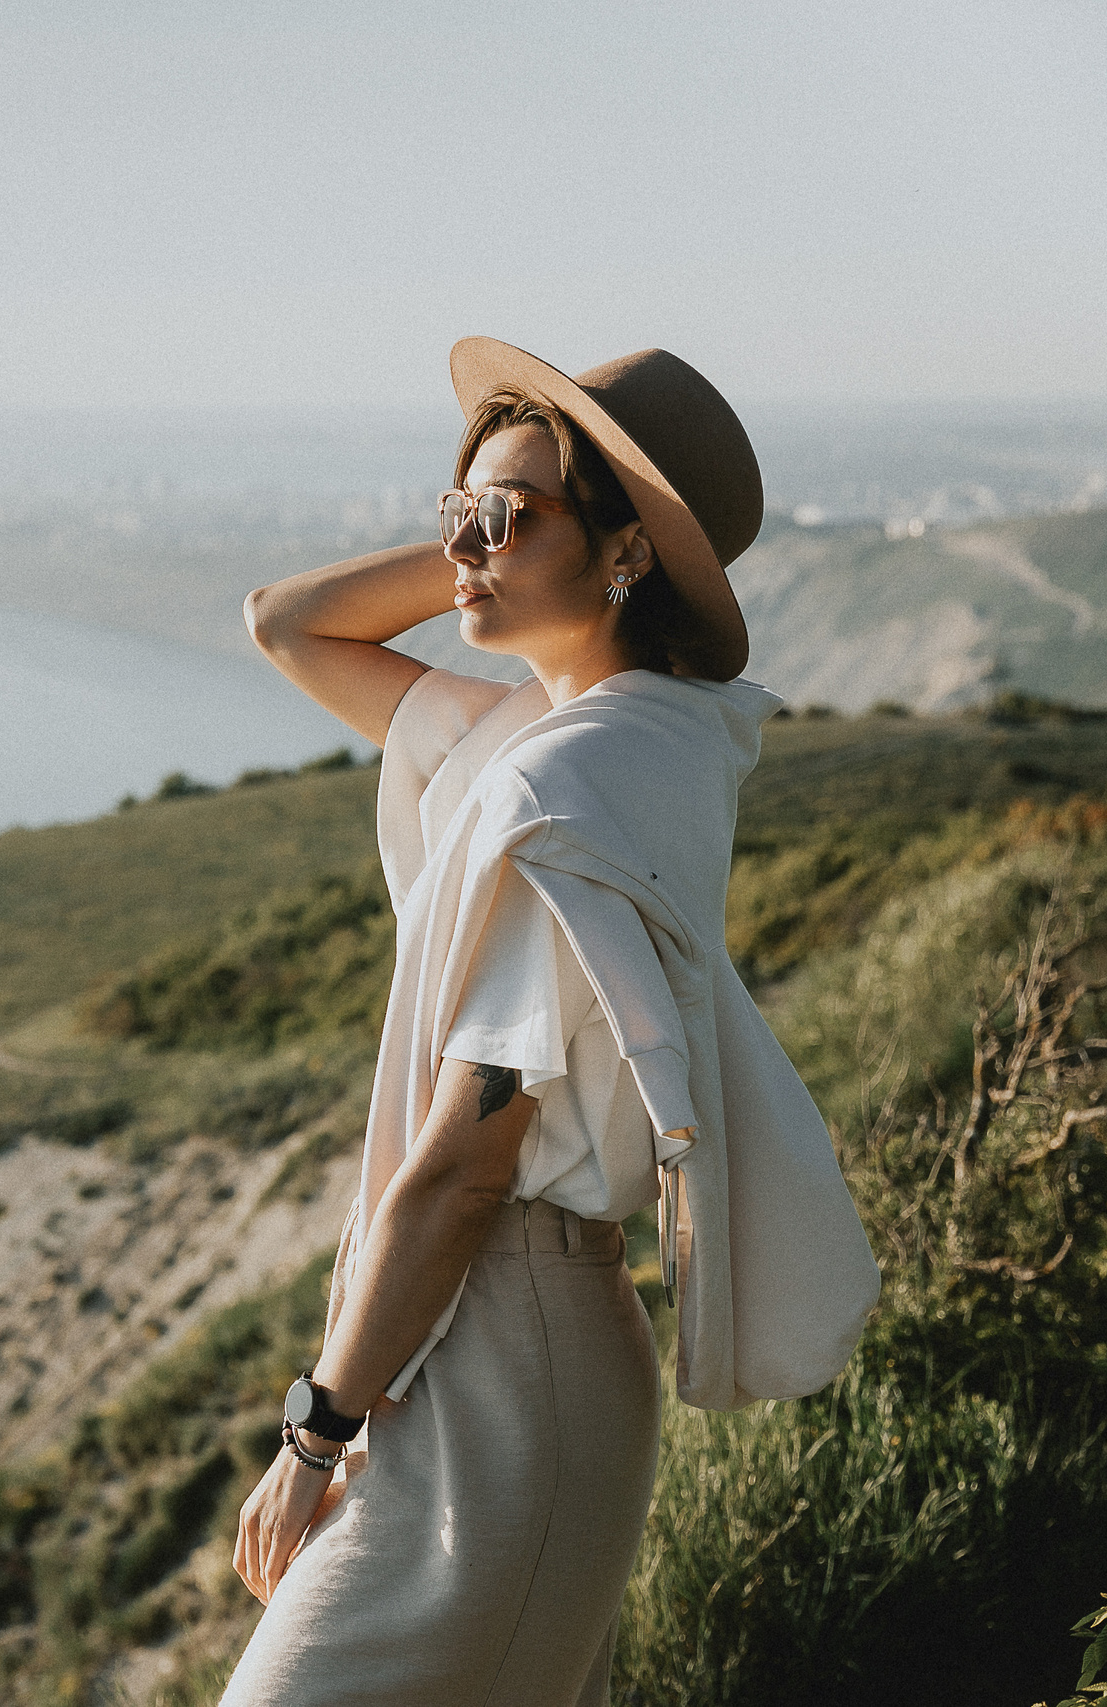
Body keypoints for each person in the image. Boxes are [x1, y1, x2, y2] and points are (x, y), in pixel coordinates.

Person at [219, 339, 879, 1706]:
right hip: (519, 1346)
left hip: (495, 1352)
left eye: (507, 516)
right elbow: (288, 622)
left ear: (629, 553)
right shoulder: (603, 739)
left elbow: (467, 1163)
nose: (463, 547)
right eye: (455, 510)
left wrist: (313, 1429)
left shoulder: (564, 787)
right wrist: (497, 528)